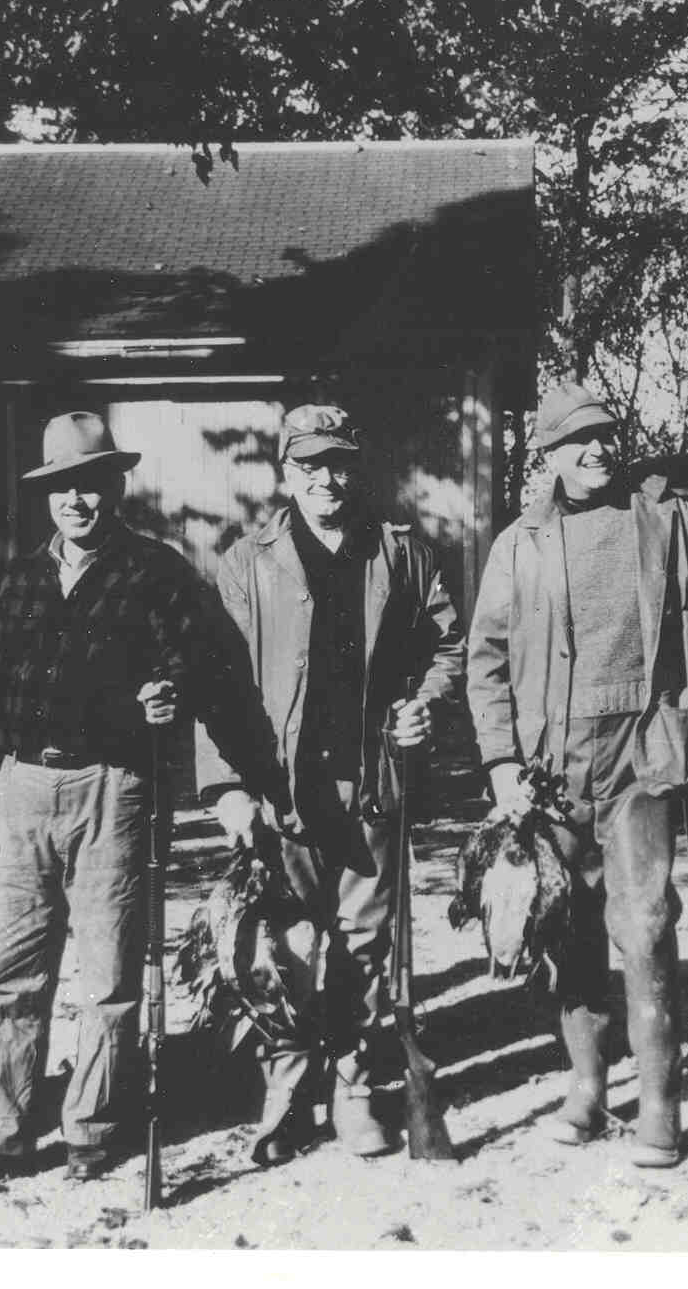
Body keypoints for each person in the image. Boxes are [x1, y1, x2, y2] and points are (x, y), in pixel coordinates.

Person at [0, 411, 270, 1192]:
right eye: (63, 488)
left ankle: (94, 1125)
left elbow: (204, 666)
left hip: (117, 787)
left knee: (109, 970)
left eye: (92, 484)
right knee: (10, 969)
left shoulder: (158, 572)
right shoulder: (21, 576)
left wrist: (167, 693)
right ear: (48, 495)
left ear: (114, 487)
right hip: (21, 786)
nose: (78, 501)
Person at [465, 383, 688, 1169]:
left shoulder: (667, 521)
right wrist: (502, 762)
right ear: (547, 456)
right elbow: (487, 662)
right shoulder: (518, 544)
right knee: (566, 932)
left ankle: (661, 1102)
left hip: (643, 756)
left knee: (643, 926)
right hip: (548, 773)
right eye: (577, 440)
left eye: (606, 435)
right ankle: (586, 1089)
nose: (596, 450)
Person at [196, 404, 466, 1162]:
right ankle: (286, 1092)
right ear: (287, 471)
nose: (326, 479)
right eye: (309, 464)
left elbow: (447, 645)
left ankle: (352, 1086)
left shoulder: (400, 555)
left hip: (371, 783)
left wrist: (422, 705)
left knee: (362, 943)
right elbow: (213, 683)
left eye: (339, 462)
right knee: (277, 944)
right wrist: (226, 788)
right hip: (278, 789)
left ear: (358, 467)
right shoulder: (246, 561)